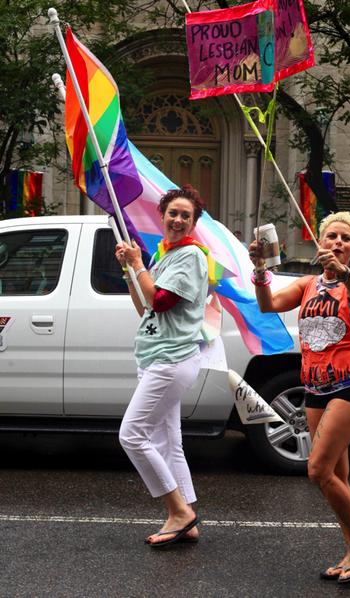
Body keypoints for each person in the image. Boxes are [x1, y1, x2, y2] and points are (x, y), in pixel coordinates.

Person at [248, 211, 350, 585]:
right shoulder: (307, 285)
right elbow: (268, 304)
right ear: (320, 242)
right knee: (338, 474)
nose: (337, 242)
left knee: (317, 469)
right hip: (315, 387)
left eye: (345, 238)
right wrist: (259, 270)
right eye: (331, 237)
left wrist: (344, 271)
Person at [115, 185, 208, 548]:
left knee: (132, 435)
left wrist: (138, 263)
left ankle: (179, 512)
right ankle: (188, 518)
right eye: (173, 213)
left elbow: (162, 301)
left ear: (194, 223)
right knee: (169, 443)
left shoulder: (190, 256)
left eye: (186, 215)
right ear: (163, 215)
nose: (178, 219)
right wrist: (129, 269)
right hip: (156, 357)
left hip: (171, 360)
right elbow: (144, 307)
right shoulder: (164, 256)